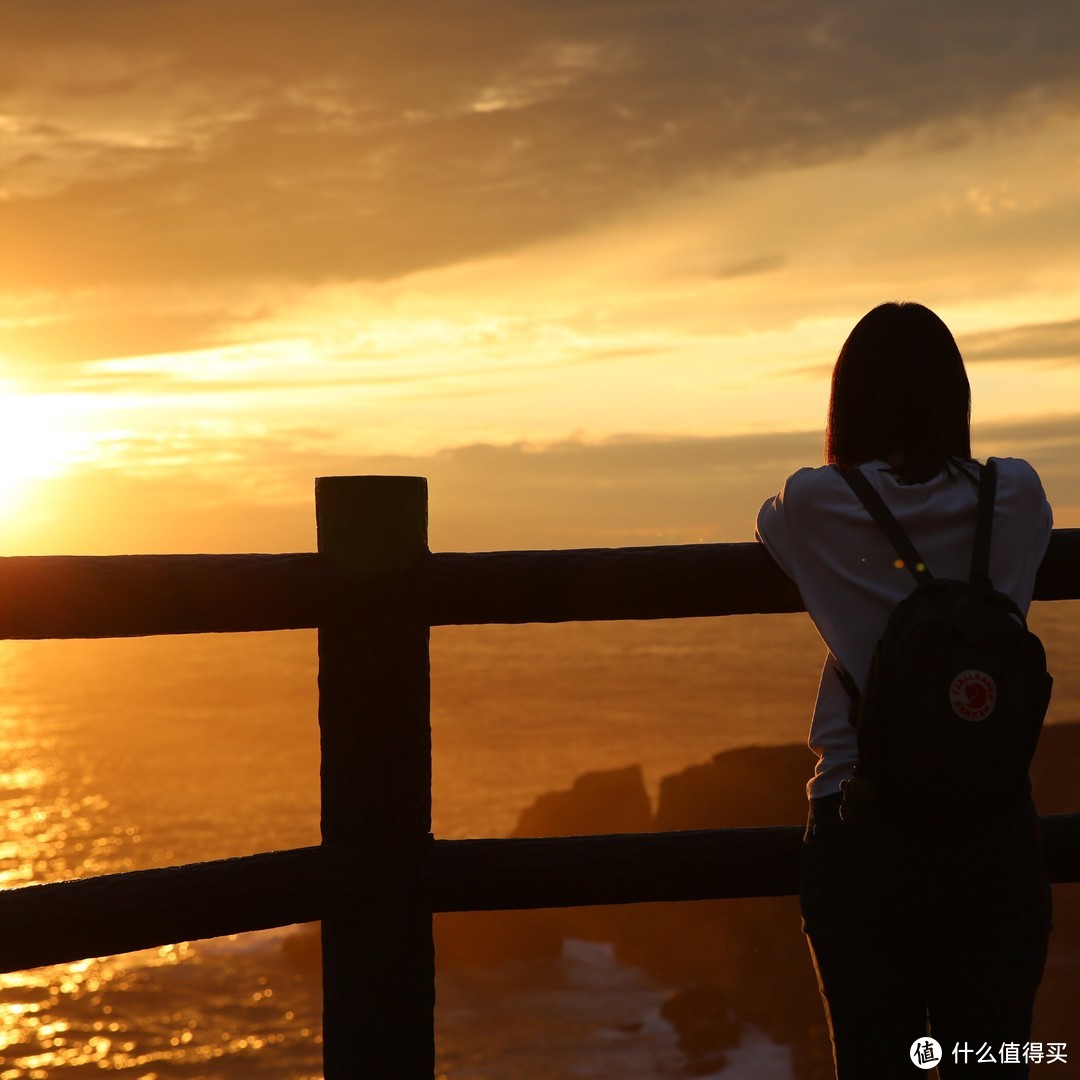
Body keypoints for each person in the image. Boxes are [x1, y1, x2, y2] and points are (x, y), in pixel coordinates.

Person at [755, 302, 1053, 1078]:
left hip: (865, 825)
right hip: (991, 828)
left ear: (847, 404)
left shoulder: (822, 502)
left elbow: (770, 524)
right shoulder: (1016, 493)